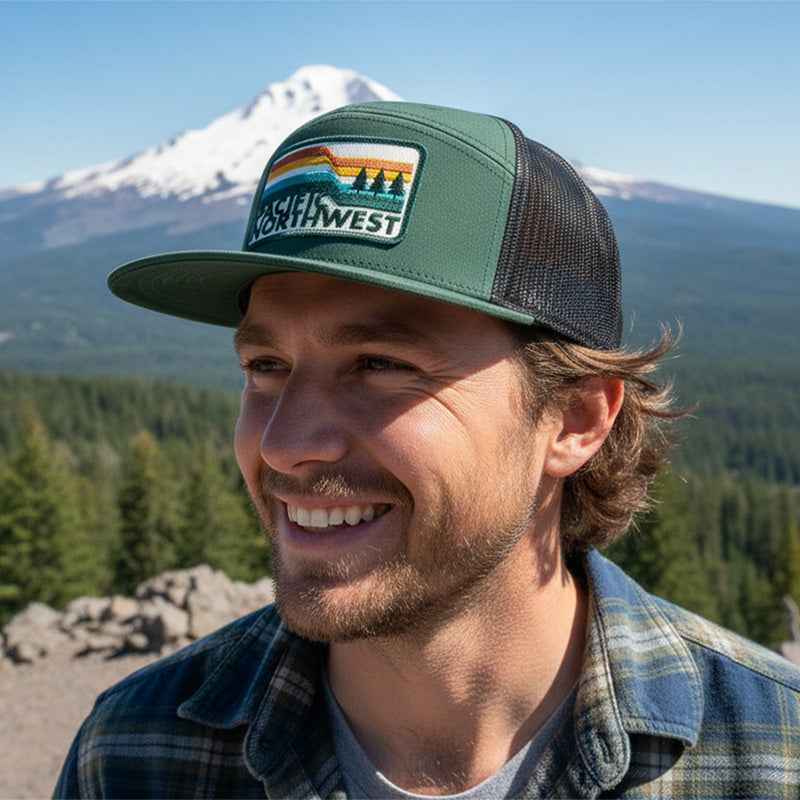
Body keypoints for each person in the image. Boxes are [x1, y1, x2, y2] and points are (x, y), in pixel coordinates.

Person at [54, 102, 800, 799]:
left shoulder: (771, 755)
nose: (284, 444)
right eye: (265, 367)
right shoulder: (134, 755)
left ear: (574, 420)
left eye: (380, 365)